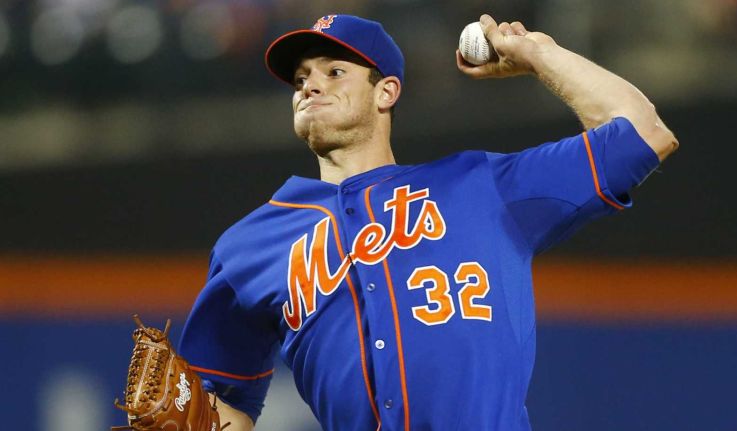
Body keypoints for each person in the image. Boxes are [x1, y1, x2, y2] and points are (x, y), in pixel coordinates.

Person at [177, 13, 678, 431]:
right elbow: (225, 401)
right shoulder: (250, 245)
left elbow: (642, 133)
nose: (309, 84)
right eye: (301, 77)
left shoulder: (479, 185)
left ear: (386, 92)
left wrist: (538, 57)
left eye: (334, 72)